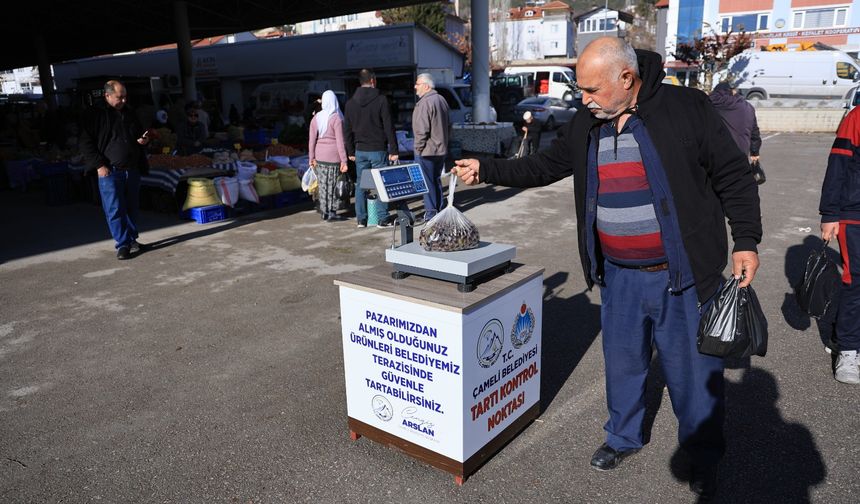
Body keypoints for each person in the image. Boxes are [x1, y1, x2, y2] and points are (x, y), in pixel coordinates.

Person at [453, 37, 762, 499]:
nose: (584, 99)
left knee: (693, 374)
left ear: (626, 78)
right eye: (582, 89)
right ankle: (623, 437)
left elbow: (732, 175)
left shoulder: (685, 108)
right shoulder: (588, 122)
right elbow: (543, 166)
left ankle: (702, 455)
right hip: (618, 274)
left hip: (681, 275)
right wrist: (487, 169)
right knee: (623, 364)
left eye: (592, 89)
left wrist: (746, 240)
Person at [79, 80, 151, 260]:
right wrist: (99, 165)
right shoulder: (95, 114)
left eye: (125, 97)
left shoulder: (129, 112)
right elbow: (85, 143)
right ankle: (123, 244)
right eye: (120, 97)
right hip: (110, 171)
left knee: (132, 207)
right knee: (115, 209)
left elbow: (138, 133)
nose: (124, 100)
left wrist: (143, 140)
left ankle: (132, 239)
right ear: (107, 96)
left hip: (132, 168)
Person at [819, 106, 860, 385]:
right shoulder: (856, 117)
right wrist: (830, 214)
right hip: (854, 213)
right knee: (855, 281)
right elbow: (838, 164)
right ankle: (848, 349)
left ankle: (841, 335)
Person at [343, 68, 399, 228]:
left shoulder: (350, 103)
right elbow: (388, 126)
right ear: (373, 80)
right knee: (381, 183)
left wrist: (350, 151)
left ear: (360, 82)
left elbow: (346, 130)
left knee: (361, 184)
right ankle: (383, 219)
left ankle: (361, 219)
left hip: (360, 149)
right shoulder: (381, 100)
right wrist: (394, 150)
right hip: (378, 148)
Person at [412, 73, 449, 222]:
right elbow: (449, 125)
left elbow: (422, 130)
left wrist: (418, 148)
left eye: (417, 84)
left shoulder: (425, 103)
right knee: (436, 180)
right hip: (440, 149)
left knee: (427, 183)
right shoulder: (441, 100)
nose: (415, 87)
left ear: (426, 86)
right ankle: (439, 208)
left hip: (427, 150)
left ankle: (431, 213)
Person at [309, 90, 349, 221]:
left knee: (323, 185)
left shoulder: (316, 117)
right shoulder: (336, 118)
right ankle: (332, 211)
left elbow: (311, 140)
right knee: (332, 185)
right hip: (334, 157)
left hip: (320, 156)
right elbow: (340, 142)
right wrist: (344, 160)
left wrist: (311, 158)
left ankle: (324, 211)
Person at [709, 81, 762, 177]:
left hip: (721, 154)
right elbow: (754, 133)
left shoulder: (716, 103)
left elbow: (708, 99)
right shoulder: (748, 107)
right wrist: (755, 152)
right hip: (742, 153)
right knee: (736, 181)